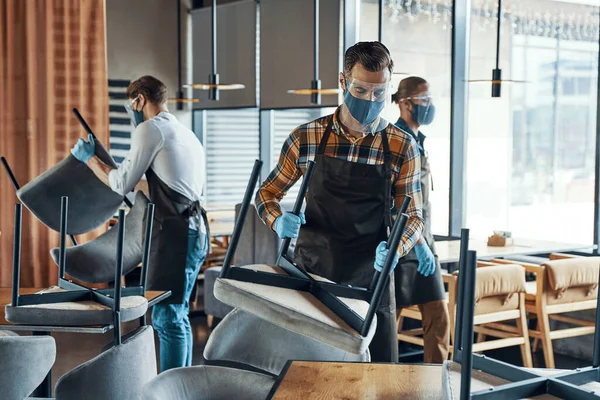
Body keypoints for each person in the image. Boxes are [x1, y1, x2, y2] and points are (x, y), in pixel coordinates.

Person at [255, 42, 424, 362]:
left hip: (372, 281)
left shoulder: (403, 147)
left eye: (379, 93)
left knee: (377, 380)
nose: (370, 101)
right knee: (310, 375)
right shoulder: (307, 138)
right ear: (343, 82)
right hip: (313, 278)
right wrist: (277, 220)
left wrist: (397, 248)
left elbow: (413, 214)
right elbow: (266, 194)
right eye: (361, 90)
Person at [69, 75, 209, 371]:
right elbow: (153, 181)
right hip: (194, 230)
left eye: (130, 103)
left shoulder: (150, 130)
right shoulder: (184, 133)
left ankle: (170, 389)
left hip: (177, 234)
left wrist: (90, 159)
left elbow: (120, 183)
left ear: (140, 100)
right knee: (177, 315)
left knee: (167, 318)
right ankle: (178, 387)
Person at [391, 76, 450, 363]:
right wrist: (415, 242)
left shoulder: (420, 141)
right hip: (400, 243)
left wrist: (426, 243)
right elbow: (394, 200)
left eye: (430, 99)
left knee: (438, 318)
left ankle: (435, 385)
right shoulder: (395, 141)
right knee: (389, 318)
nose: (429, 106)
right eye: (423, 100)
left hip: (426, 242)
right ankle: (379, 378)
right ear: (404, 103)